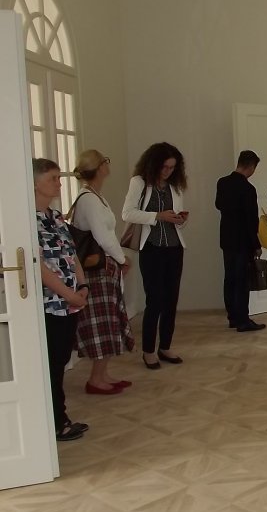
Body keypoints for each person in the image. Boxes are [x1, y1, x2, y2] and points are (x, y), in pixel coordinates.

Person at [34, 158, 90, 441]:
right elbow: (38, 267)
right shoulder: (25, 220)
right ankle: (57, 421)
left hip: (70, 301)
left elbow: (72, 254)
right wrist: (69, 295)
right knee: (52, 364)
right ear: (35, 184)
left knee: (61, 359)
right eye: (53, 178)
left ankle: (59, 418)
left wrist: (82, 284)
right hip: (50, 304)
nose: (59, 183)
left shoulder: (55, 216)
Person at [71, 150, 135, 393]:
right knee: (102, 323)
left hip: (104, 267)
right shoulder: (88, 199)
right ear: (99, 168)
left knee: (109, 321)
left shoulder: (95, 196)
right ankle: (96, 379)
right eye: (105, 161)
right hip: (97, 271)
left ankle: (102, 374)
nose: (108, 165)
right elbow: (102, 236)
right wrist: (122, 259)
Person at [122, 142, 189, 370]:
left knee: (171, 299)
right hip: (151, 248)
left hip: (174, 247)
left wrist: (179, 220)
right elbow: (127, 213)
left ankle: (165, 346)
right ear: (154, 164)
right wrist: (158, 216)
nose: (168, 171)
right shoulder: (139, 182)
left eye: (172, 167)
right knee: (155, 299)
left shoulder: (175, 186)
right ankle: (149, 350)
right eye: (164, 167)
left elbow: (176, 220)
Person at [215, 150, 266, 333]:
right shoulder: (248, 189)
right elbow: (251, 220)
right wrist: (256, 245)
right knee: (242, 281)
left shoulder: (222, 183)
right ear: (251, 166)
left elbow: (218, 205)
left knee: (230, 278)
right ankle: (243, 320)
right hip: (243, 241)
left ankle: (233, 317)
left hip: (227, 238)